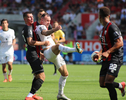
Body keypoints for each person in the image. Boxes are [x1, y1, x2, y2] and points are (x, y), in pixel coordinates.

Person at [35, 13, 83, 100]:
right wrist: (55, 29)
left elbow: (49, 36)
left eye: (49, 21)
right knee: (58, 46)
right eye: (47, 21)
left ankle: (60, 94)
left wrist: (53, 37)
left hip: (54, 53)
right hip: (48, 52)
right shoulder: (40, 27)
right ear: (42, 20)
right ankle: (75, 50)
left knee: (65, 74)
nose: (48, 22)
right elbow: (45, 33)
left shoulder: (47, 27)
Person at [94, 6, 125, 100]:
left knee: (108, 82)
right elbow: (104, 46)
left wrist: (107, 52)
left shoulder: (112, 27)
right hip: (107, 58)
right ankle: (121, 85)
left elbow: (120, 42)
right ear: (109, 15)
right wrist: (99, 53)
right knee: (102, 83)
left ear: (99, 16)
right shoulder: (103, 29)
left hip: (115, 57)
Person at [22, 11, 50, 100]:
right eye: (29, 17)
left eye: (32, 16)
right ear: (25, 19)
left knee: (37, 76)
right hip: (32, 54)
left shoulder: (29, 27)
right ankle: (29, 96)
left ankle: (32, 95)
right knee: (42, 76)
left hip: (33, 53)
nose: (31, 18)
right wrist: (44, 43)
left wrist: (39, 52)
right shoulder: (28, 27)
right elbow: (30, 42)